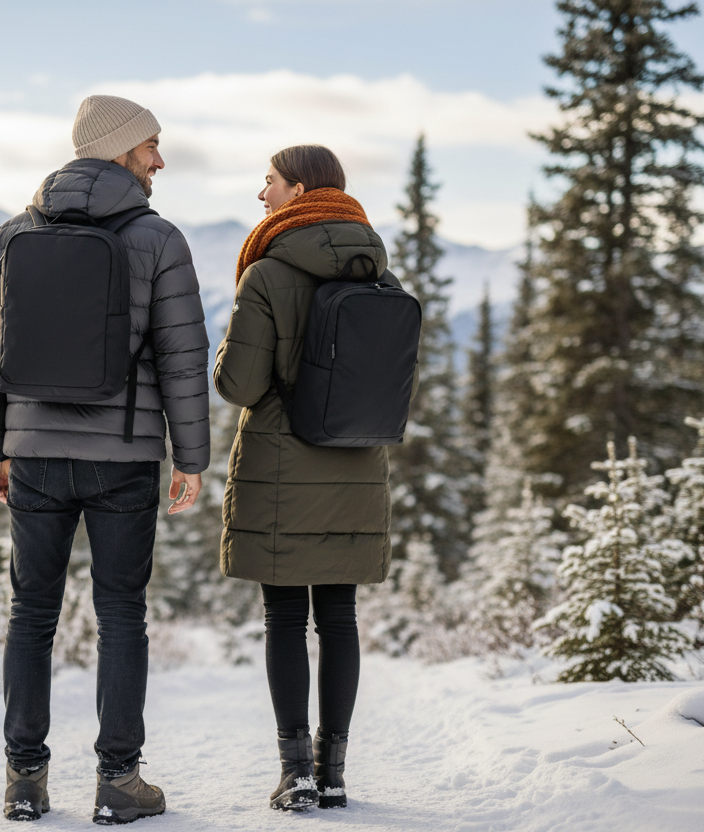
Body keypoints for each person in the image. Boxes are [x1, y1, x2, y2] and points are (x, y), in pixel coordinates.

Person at [0, 94, 210, 824]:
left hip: (34, 456)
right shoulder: (158, 238)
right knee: (121, 615)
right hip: (123, 459)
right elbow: (183, 359)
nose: (160, 160)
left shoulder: (14, 233)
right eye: (151, 146)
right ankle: (118, 781)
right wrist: (188, 458)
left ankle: (24, 780)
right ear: (117, 149)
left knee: (31, 614)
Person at [213, 145, 395, 811]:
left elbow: (239, 384)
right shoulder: (378, 272)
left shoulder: (267, 273)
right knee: (339, 614)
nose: (262, 194)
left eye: (269, 182)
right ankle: (336, 771)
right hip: (356, 464)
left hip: (284, 468)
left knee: (286, 615)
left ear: (297, 189)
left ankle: (296, 775)